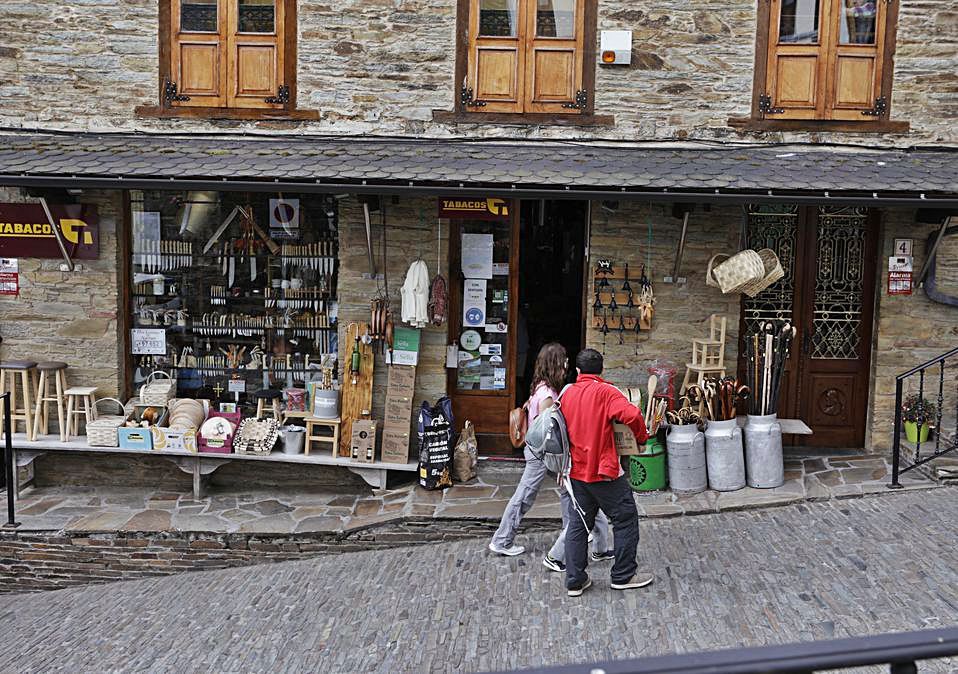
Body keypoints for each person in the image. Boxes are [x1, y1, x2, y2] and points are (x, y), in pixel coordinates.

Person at [489, 343, 610, 559]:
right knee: (525, 496)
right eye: (563, 360)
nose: (567, 364)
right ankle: (501, 540)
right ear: (554, 363)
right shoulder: (547, 394)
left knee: (569, 492)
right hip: (542, 454)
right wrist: (562, 462)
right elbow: (549, 432)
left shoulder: (542, 387)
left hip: (541, 452)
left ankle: (572, 531)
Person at [562, 348, 654, 596]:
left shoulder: (567, 393)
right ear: (601, 370)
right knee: (625, 519)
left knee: (579, 525)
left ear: (578, 371)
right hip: (605, 471)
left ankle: (575, 581)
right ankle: (623, 576)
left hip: (576, 471)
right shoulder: (606, 391)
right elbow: (632, 413)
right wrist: (641, 438)